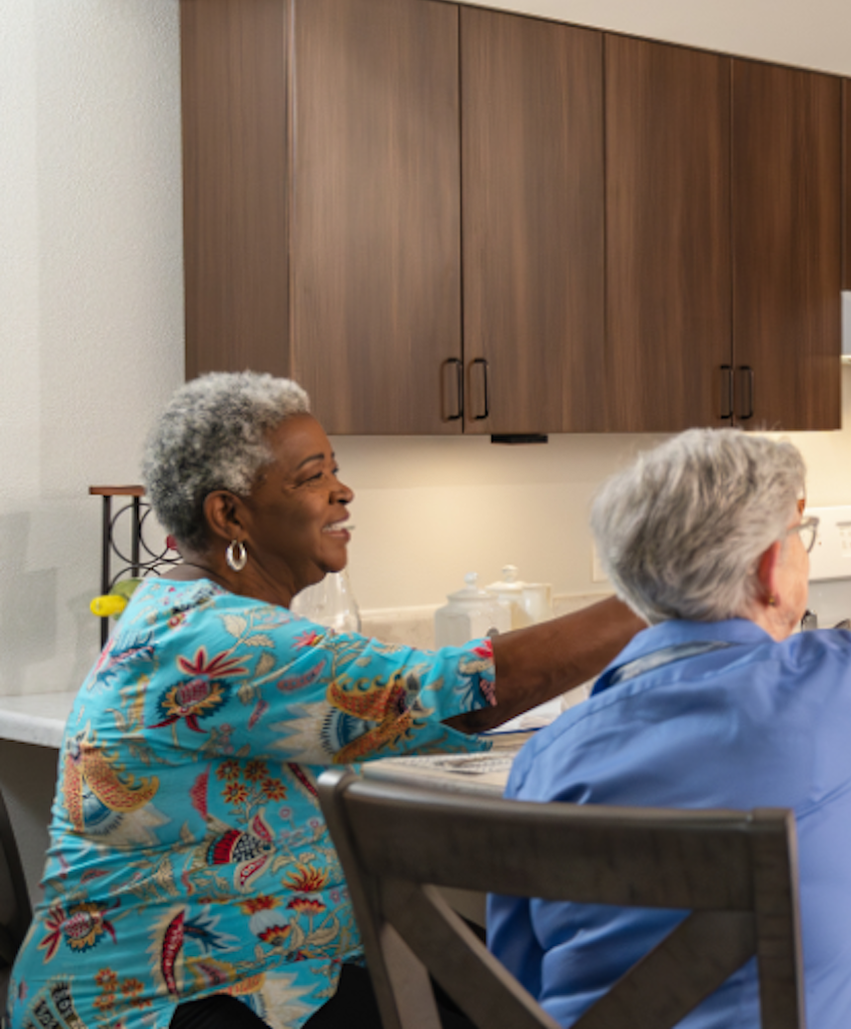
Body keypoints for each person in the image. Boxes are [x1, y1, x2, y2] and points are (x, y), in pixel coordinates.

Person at [10, 373, 643, 1029]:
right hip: (163, 1005)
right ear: (229, 515)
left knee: (515, 992)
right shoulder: (217, 637)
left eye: (333, 469)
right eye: (312, 476)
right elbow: (457, 695)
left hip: (266, 967)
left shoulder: (177, 609)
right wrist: (658, 589)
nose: (343, 490)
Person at [489, 429, 851, 1028]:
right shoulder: (841, 685)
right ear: (769, 567)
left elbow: (513, 991)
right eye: (798, 537)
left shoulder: (545, 761)